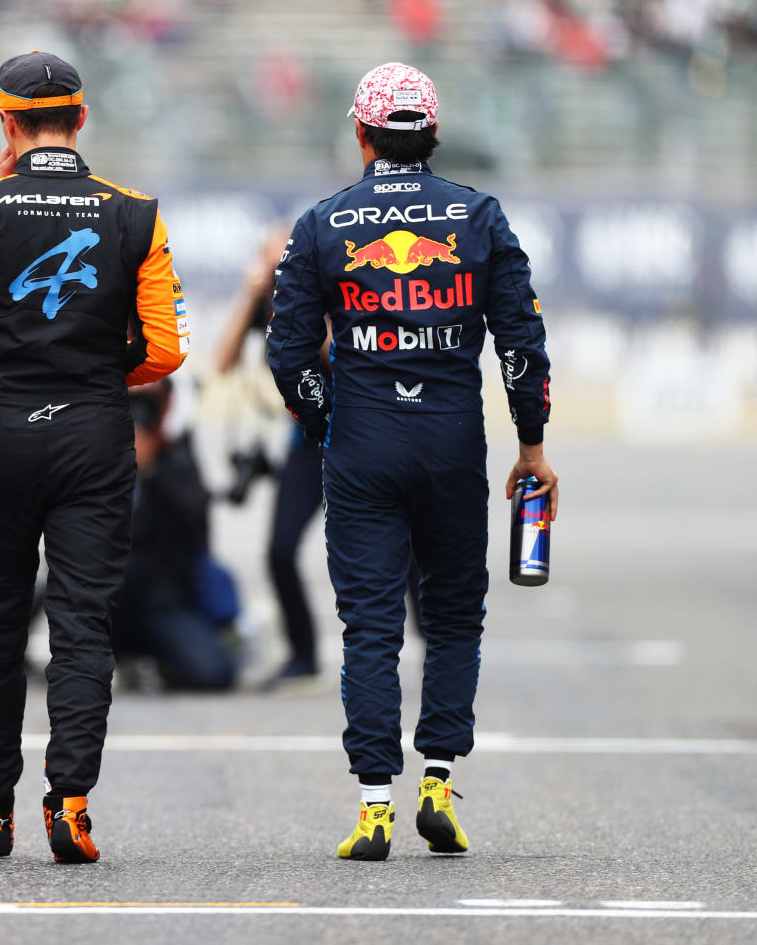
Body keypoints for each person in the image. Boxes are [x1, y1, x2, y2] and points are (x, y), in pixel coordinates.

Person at [266, 62, 556, 861]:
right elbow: (522, 347)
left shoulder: (323, 222)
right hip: (453, 444)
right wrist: (532, 445)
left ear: (361, 136)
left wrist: (328, 428)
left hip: (363, 444)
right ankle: (436, 781)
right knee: (455, 617)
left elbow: (288, 354)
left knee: (370, 626)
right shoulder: (478, 214)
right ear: (433, 135)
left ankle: (371, 809)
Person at [0, 50, 188, 863]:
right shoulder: (135, 214)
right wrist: (98, 373)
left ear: (6, 122)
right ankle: (70, 805)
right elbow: (167, 350)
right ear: (81, 120)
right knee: (81, 626)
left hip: (0, 435)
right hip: (92, 435)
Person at [213, 230, 325, 682]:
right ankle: (303, 654)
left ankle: (435, 639)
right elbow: (222, 362)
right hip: (307, 442)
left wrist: (304, 295)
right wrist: (251, 295)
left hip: (358, 435)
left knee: (401, 547)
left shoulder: (322, 292)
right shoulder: (267, 302)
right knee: (279, 550)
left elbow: (337, 354)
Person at [113, 382, 236, 691]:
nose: (140, 413)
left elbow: (197, 529)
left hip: (164, 601)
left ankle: (163, 660)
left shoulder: (177, 456)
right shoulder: (101, 454)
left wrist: (153, 470)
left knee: (213, 673)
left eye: (148, 402)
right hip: (110, 600)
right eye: (133, 400)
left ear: (166, 404)